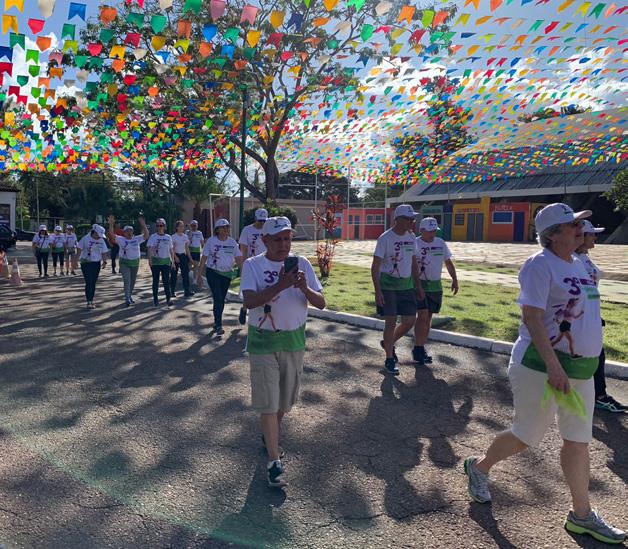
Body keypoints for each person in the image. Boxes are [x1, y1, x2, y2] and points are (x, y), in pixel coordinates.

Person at [464, 203, 625, 545]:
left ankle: (581, 516)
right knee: (527, 435)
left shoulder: (582, 264)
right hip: (541, 367)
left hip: (581, 369)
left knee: (578, 441)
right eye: (572, 225)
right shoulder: (539, 265)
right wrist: (554, 366)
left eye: (579, 224)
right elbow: (533, 319)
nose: (580, 229)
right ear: (552, 235)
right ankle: (479, 468)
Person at [241, 216, 325, 488]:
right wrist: (281, 284)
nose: (283, 244)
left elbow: (321, 303)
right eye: (277, 239)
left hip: (293, 342)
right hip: (263, 342)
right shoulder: (253, 265)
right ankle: (274, 462)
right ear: (264, 240)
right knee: (268, 401)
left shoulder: (302, 264)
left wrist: (303, 287)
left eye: (287, 238)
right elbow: (250, 301)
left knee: (283, 404)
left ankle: (270, 435)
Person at [575, 220, 626, 413]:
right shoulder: (573, 260)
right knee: (594, 356)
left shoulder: (584, 258)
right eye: (591, 234)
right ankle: (598, 396)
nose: (595, 237)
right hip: (581, 318)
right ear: (580, 237)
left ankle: (595, 395)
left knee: (596, 355)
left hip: (591, 317)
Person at [371, 204, 424, 375]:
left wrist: (418, 285)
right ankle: (389, 359)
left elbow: (414, 262)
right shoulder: (385, 238)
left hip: (407, 286)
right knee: (391, 322)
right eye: (408, 219)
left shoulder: (411, 237)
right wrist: (378, 291)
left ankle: (388, 342)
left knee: (410, 320)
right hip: (388, 286)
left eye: (413, 219)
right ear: (398, 219)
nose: (411, 222)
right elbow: (375, 266)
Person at [413, 217, 459, 365]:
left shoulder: (440, 243)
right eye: (430, 230)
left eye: (435, 230)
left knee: (428, 318)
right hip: (420, 285)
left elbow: (448, 262)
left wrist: (455, 279)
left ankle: (421, 347)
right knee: (422, 316)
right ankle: (418, 349)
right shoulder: (415, 243)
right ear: (422, 230)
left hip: (435, 286)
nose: (433, 233)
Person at [197, 219, 243, 335]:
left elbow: (238, 258)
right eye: (223, 227)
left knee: (221, 300)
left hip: (227, 275)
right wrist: (199, 275)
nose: (226, 229)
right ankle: (218, 324)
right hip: (213, 273)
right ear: (217, 230)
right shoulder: (211, 241)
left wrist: (244, 272)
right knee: (218, 298)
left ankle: (216, 322)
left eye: (228, 226)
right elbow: (204, 258)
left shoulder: (232, 242)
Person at [108, 215, 149, 306]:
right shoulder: (121, 239)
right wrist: (111, 224)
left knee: (132, 281)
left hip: (135, 263)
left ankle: (129, 295)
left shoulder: (136, 239)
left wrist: (143, 225)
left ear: (133, 232)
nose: (129, 233)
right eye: (127, 231)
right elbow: (111, 235)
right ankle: (127, 297)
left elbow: (146, 236)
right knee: (127, 280)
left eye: (130, 231)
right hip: (124, 263)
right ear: (124, 233)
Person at [238, 208, 269, 325]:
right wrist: (244, 265)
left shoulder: (268, 230)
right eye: (260, 221)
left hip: (266, 264)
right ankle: (244, 308)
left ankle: (264, 318)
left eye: (264, 221)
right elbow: (243, 249)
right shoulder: (247, 230)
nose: (262, 223)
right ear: (255, 218)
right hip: (252, 265)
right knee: (251, 290)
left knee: (266, 289)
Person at [77, 224, 109, 309]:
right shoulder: (85, 238)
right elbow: (79, 248)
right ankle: (89, 301)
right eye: (98, 235)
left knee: (93, 282)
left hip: (96, 263)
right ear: (94, 232)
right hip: (86, 262)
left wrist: (104, 261)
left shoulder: (101, 240)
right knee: (89, 281)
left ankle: (91, 300)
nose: (99, 237)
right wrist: (75, 261)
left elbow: (104, 251)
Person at [146, 218, 175, 307]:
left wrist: (172, 261)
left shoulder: (168, 237)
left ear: (164, 227)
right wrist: (150, 260)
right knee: (156, 281)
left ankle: (168, 298)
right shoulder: (153, 237)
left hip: (166, 262)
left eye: (161, 225)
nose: (159, 227)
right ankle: (155, 299)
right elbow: (150, 249)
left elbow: (171, 250)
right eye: (158, 225)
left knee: (166, 281)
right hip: (155, 262)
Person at [170, 220, 195, 298]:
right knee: (174, 274)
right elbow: (172, 248)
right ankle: (172, 291)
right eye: (180, 226)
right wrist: (175, 257)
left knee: (185, 274)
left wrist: (190, 259)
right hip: (176, 256)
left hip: (183, 256)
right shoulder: (173, 236)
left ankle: (187, 291)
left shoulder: (185, 236)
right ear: (177, 227)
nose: (182, 228)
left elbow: (186, 248)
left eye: (183, 226)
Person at [187, 220, 204, 287]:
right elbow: (188, 239)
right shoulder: (188, 232)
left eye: (195, 225)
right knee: (189, 265)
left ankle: (194, 279)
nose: (194, 227)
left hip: (197, 251)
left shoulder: (199, 233)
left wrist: (202, 247)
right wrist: (190, 231)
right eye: (193, 225)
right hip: (190, 250)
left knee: (196, 265)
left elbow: (202, 241)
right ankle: (187, 277)